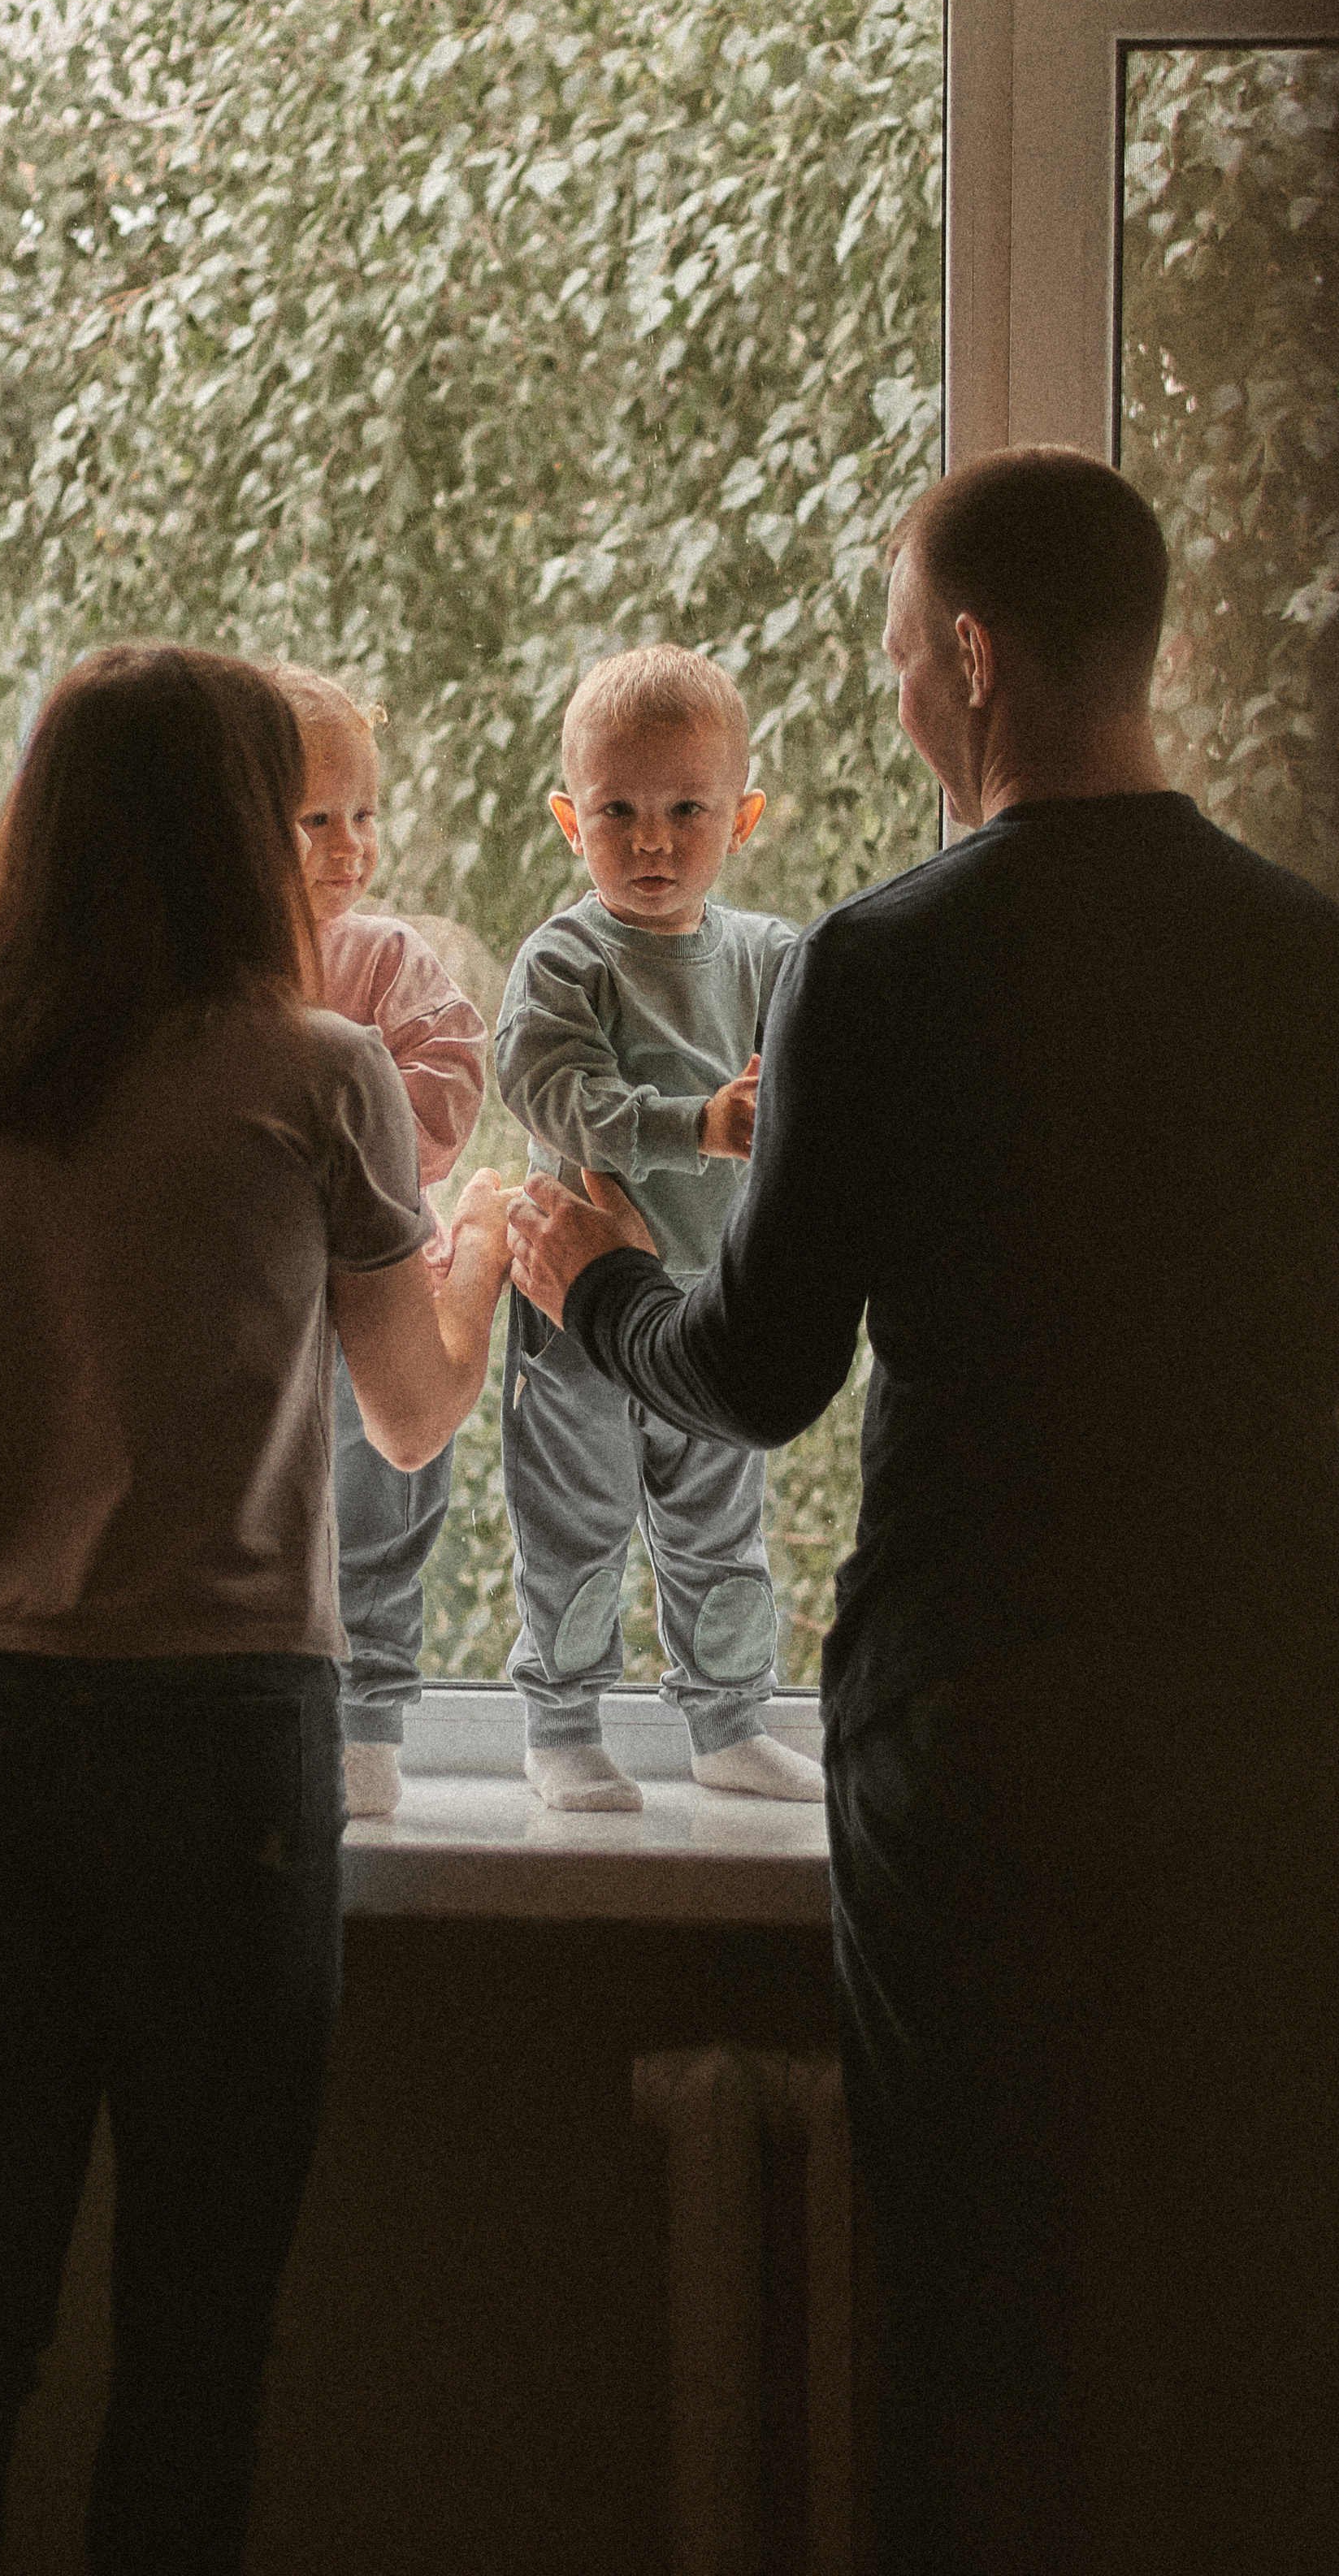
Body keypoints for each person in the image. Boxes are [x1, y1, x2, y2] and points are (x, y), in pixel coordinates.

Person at [508, 450, 1339, 2573]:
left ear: (975, 659)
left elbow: (755, 1373)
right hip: (1276, 1718)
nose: (900, 686)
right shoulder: (1324, 967)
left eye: (905, 647)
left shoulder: (886, 969)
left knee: (971, 2361)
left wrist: (592, 1282)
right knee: (1261, 2343)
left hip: (979, 1738)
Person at [0, 643, 513, 2576]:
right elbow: (409, 1409)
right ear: (233, 824)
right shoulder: (318, 1074)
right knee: (193, 2342)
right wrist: (474, 1254)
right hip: (216, 1748)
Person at [496, 643, 824, 1810]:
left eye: (688, 809)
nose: (652, 840)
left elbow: (821, 1098)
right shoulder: (564, 961)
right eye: (617, 810)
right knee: (575, 1526)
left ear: (743, 819)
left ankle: (728, 1720)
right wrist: (701, 1122)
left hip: (710, 1311)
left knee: (717, 1529)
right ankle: (562, 1721)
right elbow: (551, 1093)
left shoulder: (775, 957)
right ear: (565, 818)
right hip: (573, 1316)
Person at [275, 661, 490, 1821]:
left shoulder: (381, 956)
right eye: (316, 820)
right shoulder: (214, 973)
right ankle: (300, 1713)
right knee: (274, 1519)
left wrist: (357, 1140)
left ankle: (374, 1726)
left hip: (375, 1286)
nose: (349, 845)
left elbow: (454, 1076)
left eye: (364, 815)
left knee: (384, 1510)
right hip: (259, 1300)